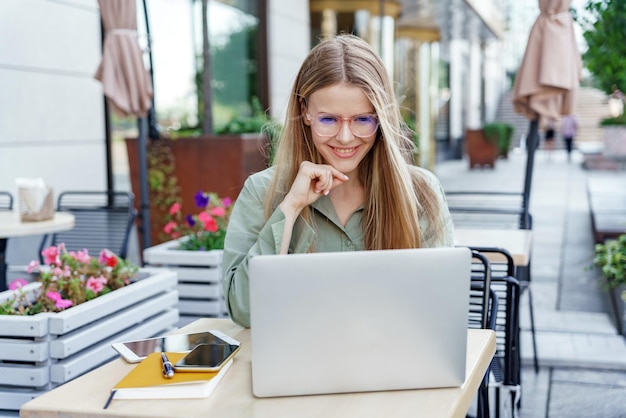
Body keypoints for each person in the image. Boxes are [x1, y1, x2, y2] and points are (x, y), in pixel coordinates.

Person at [221, 34, 455, 328]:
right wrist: (290, 208)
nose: (345, 137)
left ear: (381, 118)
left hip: (391, 367)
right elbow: (244, 310)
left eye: (362, 120)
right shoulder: (262, 191)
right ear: (305, 111)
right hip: (298, 367)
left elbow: (440, 309)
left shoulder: (421, 192)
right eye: (329, 120)